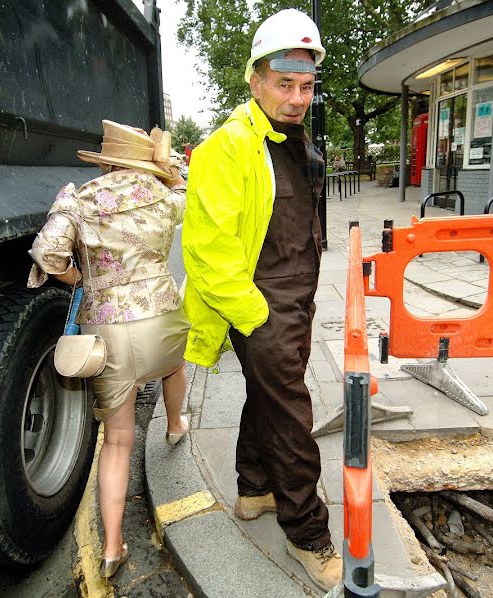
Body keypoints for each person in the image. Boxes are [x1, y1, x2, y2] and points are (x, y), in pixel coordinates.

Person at [181, 9, 341, 592]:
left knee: (269, 403)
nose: (298, 98)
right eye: (284, 85)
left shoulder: (292, 138)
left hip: (295, 300)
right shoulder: (227, 148)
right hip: (263, 304)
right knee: (293, 418)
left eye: (306, 86)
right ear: (254, 79)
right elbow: (207, 251)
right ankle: (308, 534)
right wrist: (258, 318)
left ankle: (253, 491)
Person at [27, 120, 190, 580]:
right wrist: (168, 170)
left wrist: (81, 280)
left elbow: (48, 255)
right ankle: (175, 425)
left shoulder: (77, 199)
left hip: (109, 332)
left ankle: (113, 547)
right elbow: (186, 193)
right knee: (173, 366)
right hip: (162, 317)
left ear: (107, 159)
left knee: (117, 442)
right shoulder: (166, 197)